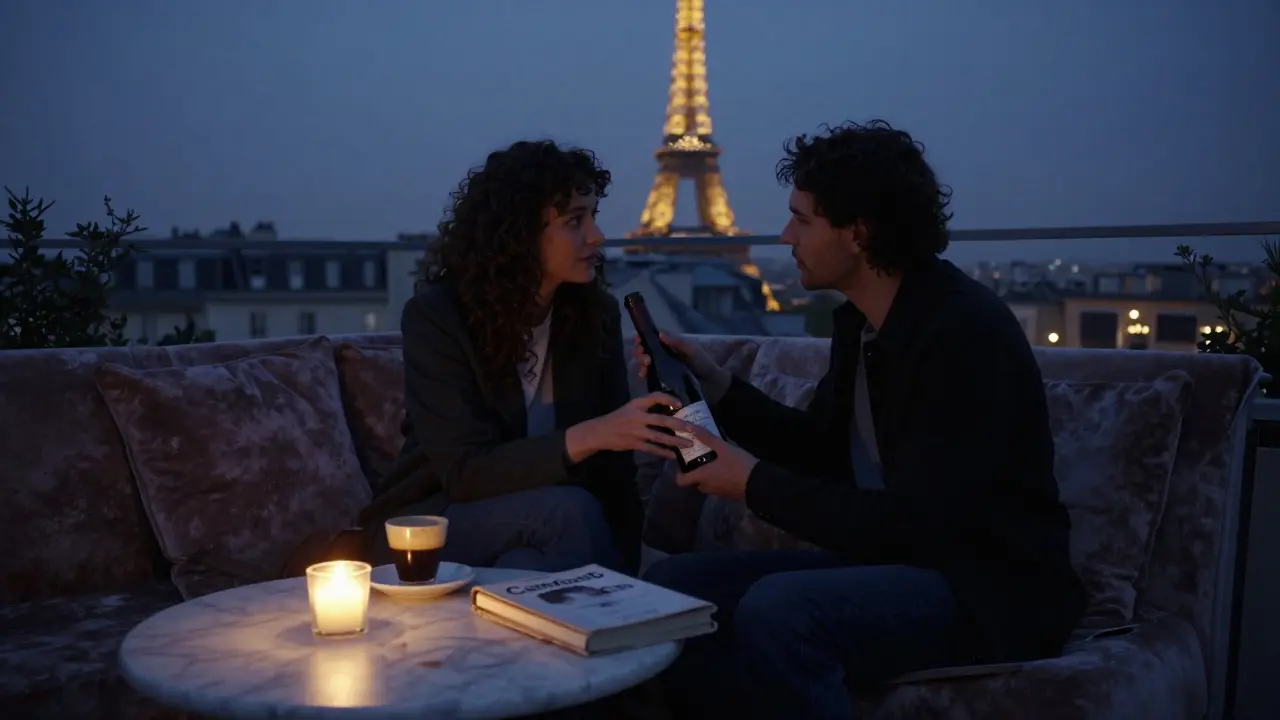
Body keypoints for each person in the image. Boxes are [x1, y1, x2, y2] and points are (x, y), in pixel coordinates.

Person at [635, 120, 1087, 718]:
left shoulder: (963, 334)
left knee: (781, 609)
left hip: (989, 589)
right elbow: (823, 449)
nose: (784, 235)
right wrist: (716, 384)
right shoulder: (864, 322)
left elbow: (922, 524)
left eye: (802, 218)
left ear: (859, 233)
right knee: (675, 592)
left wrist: (749, 483)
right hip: (902, 566)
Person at [356, 140, 697, 576]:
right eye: (576, 220)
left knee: (527, 564)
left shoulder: (596, 316)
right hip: (427, 526)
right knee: (566, 510)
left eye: (594, 216)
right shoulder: (438, 318)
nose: (597, 236)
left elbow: (615, 477)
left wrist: (630, 568)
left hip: (541, 531)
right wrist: (595, 433)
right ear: (519, 234)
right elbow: (465, 473)